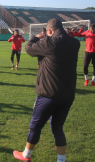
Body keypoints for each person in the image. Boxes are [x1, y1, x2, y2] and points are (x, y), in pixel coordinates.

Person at [13, 18, 80, 162]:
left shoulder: (49, 42)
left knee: (35, 125)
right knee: (57, 128)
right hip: (67, 94)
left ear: (49, 31)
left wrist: (36, 38)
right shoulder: (75, 43)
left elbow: (29, 49)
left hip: (49, 93)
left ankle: (26, 155)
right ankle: (61, 160)